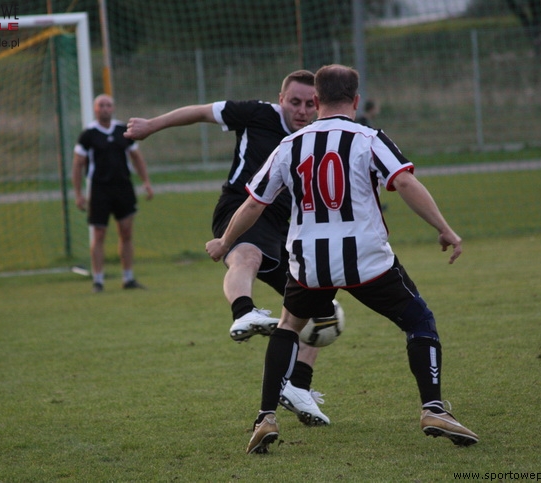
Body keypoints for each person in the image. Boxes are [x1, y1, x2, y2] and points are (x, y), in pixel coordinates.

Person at [205, 64, 479, 454]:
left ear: (316, 100)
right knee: (419, 320)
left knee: (288, 327)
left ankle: (265, 417)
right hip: (366, 259)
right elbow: (404, 181)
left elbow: (253, 203)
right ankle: (433, 408)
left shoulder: (290, 145)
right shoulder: (368, 138)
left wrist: (224, 241)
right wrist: (444, 228)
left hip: (310, 262)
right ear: (356, 100)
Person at [125, 70, 334, 426]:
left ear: (318, 104)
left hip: (282, 227)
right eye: (294, 102)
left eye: (308, 104)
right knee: (247, 256)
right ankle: (244, 311)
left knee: (321, 308)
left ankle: (298, 386)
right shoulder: (257, 114)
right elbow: (200, 112)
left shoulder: (318, 137)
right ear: (280, 99)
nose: (301, 111)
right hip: (240, 208)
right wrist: (151, 125)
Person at [72, 94, 154, 293]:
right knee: (99, 234)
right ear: (95, 109)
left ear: (113, 108)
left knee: (126, 232)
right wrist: (78, 193)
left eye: (108, 105)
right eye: (101, 105)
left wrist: (146, 182)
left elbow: (136, 157)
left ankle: (128, 278)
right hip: (99, 190)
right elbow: (78, 164)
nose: (105, 108)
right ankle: (98, 280)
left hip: (123, 188)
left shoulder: (122, 131)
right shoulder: (88, 134)